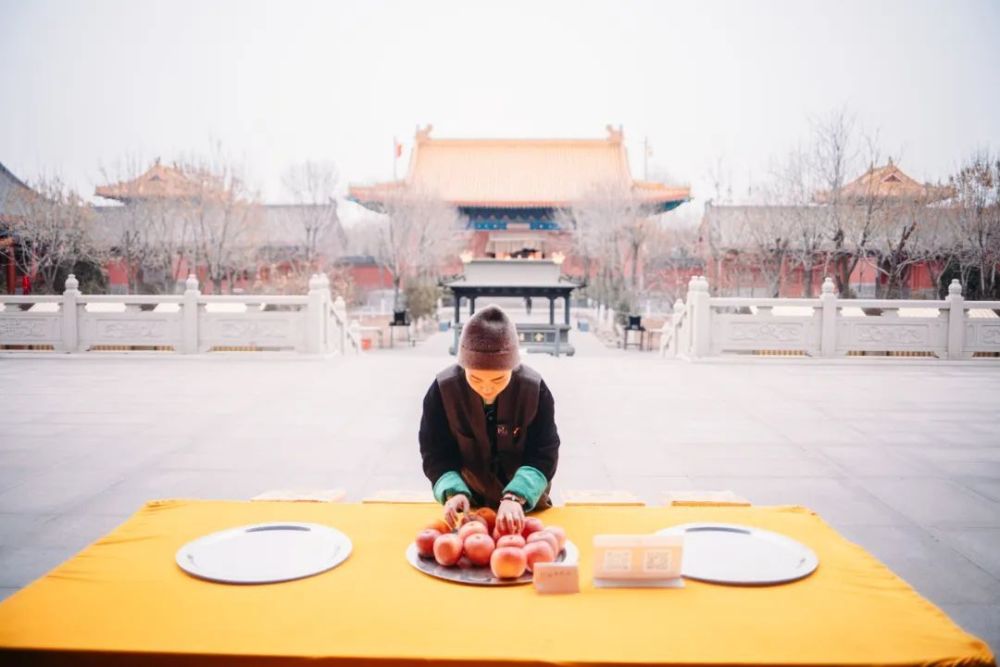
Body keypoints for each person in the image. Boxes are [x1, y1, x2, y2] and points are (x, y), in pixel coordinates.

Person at [419, 305, 560, 535]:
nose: (486, 387)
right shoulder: (442, 391)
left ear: (514, 368)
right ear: (462, 366)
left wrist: (517, 496)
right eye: (474, 378)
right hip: (469, 506)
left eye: (498, 379)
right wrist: (453, 492)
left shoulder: (534, 390)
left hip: (525, 506)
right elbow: (435, 452)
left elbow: (545, 451)